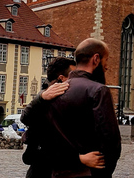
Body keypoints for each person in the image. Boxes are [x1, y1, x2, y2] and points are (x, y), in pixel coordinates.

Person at [44, 39, 121, 177]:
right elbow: (111, 140)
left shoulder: (53, 92)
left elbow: (47, 140)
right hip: (89, 172)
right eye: (106, 60)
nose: (107, 66)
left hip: (58, 172)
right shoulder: (98, 90)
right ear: (96, 59)